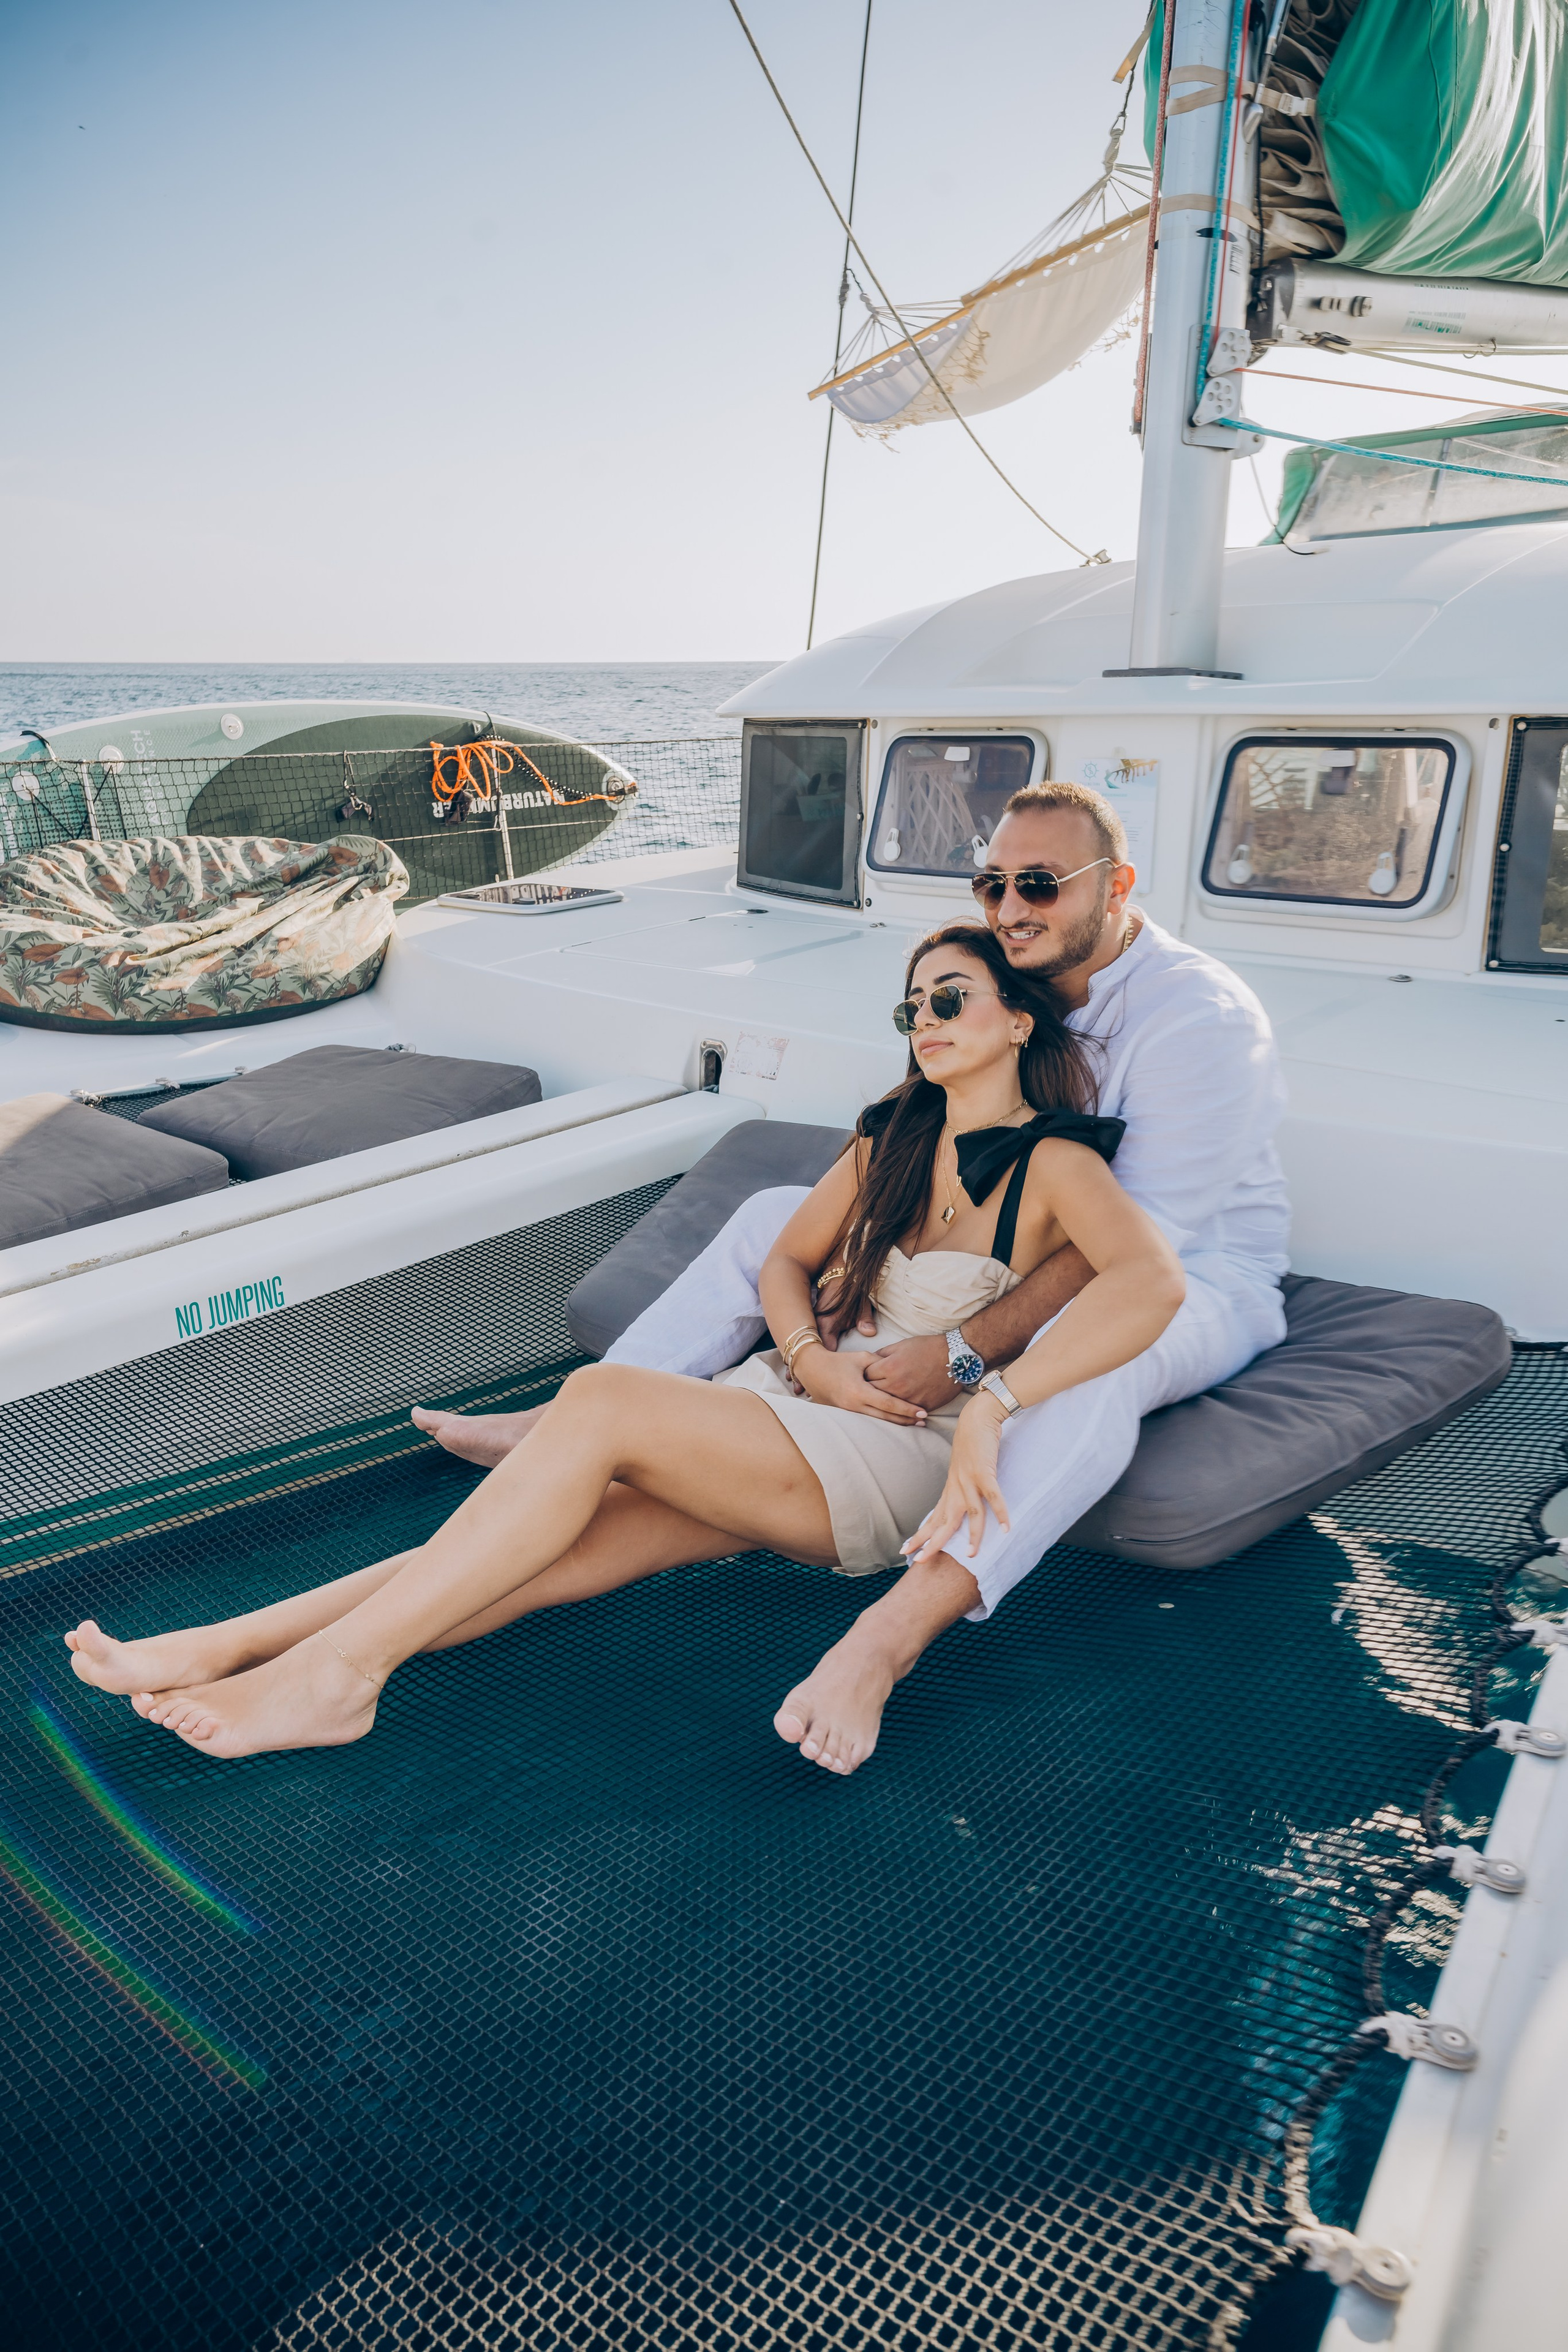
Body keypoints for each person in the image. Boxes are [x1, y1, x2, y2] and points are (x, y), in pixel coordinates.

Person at [64, 920, 1186, 1773]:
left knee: (599, 1403)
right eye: (911, 1008)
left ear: (1020, 1021)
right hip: (795, 1412)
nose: (928, 1019)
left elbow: (1153, 1285)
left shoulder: (1056, 1164)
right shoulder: (890, 1136)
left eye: (953, 997)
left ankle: (339, 1678)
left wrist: (992, 1392)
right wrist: (809, 1357)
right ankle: (228, 1643)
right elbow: (783, 1266)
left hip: (891, 1461)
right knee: (522, 1550)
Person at [416, 780, 1292, 1746]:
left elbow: (1138, 1254)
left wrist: (963, 1350)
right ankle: (572, 1416)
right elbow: (935, 1116)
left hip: (1195, 1274)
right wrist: (860, 1265)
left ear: (1116, 885)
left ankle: (886, 1639)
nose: (1009, 910)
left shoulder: (1199, 1018)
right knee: (777, 1215)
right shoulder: (1020, 966)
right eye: (992, 883)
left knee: (1097, 1367)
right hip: (1020, 1242)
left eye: (1040, 885)